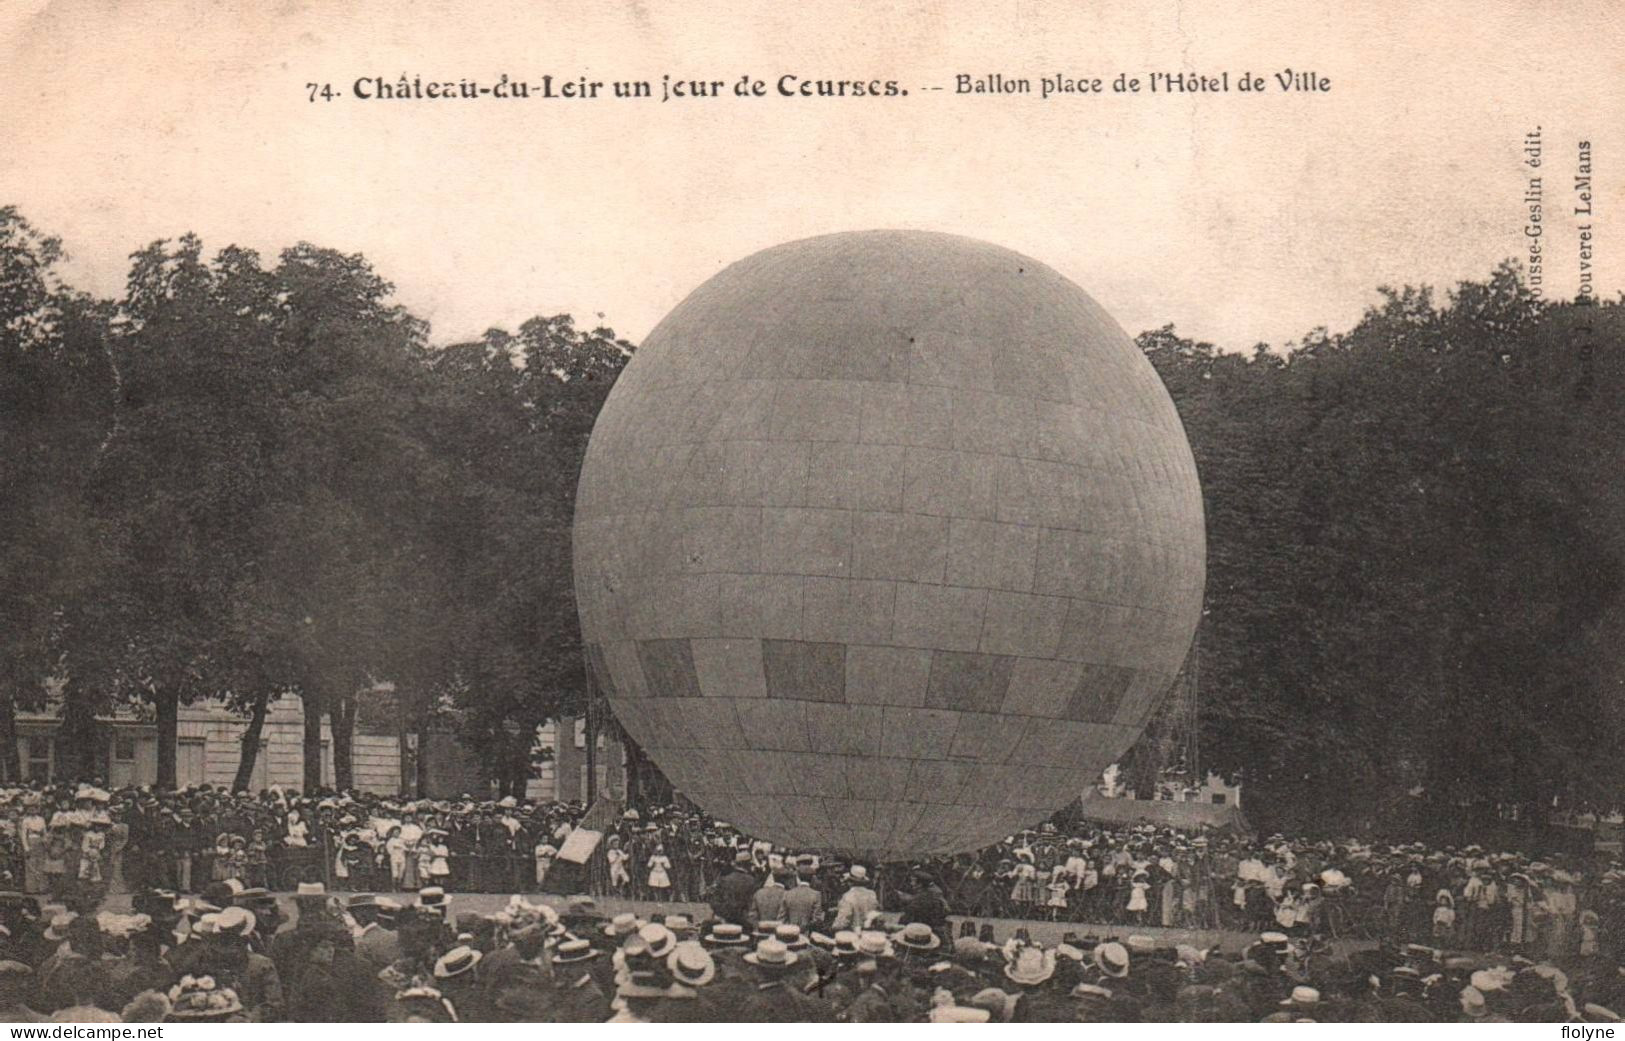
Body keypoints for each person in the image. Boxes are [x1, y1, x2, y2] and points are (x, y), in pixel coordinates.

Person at [831, 865, 879, 932]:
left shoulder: (848, 896)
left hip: (853, 933)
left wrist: (833, 927)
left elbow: (842, 922)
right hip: (869, 932)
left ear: (850, 882)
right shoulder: (872, 894)